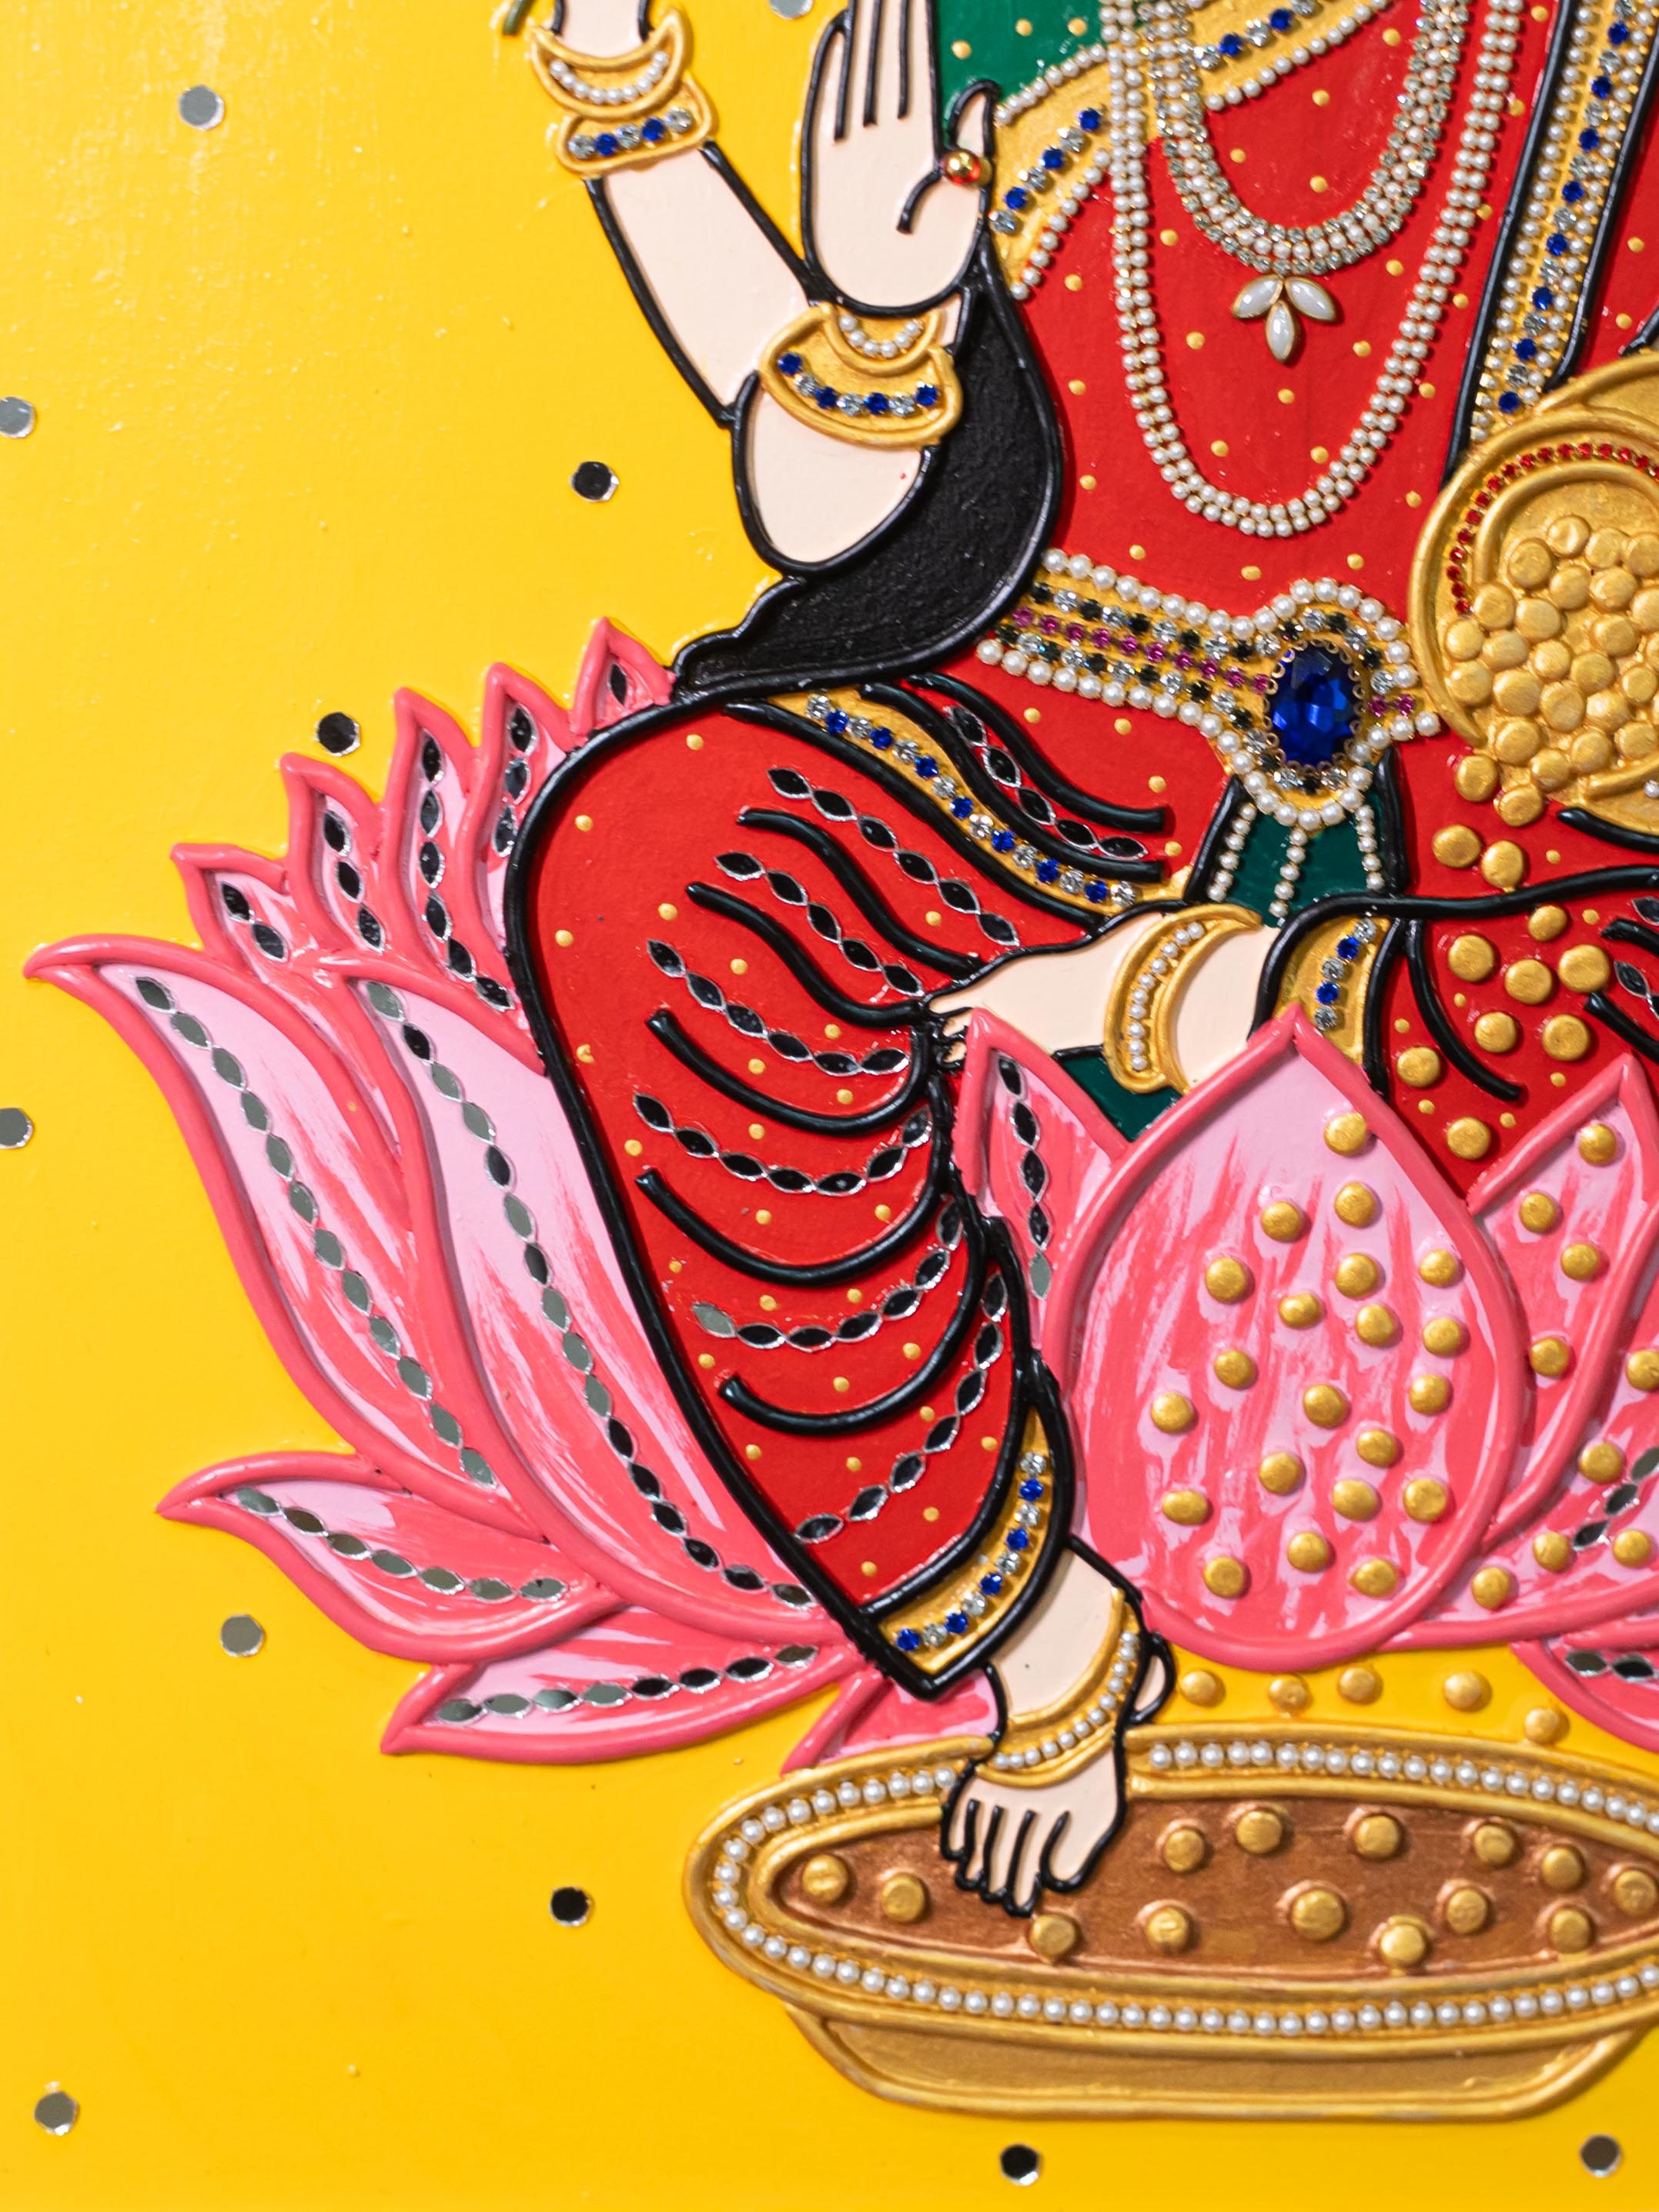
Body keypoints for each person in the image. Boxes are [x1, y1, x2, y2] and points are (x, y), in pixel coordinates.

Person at [505, 0, 1659, 1910]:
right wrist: (860, 292)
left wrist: (1180, 998)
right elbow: (824, 509)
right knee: (650, 860)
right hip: (1049, 771)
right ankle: (1027, 1625)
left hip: (1505, 811)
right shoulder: (1031, 34)